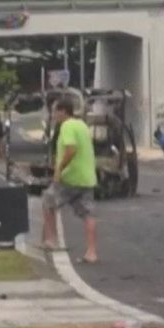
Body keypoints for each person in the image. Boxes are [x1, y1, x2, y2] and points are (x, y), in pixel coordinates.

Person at [40, 96, 99, 263]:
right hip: (87, 178)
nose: (53, 115)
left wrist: (59, 168)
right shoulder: (81, 125)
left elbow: (71, 149)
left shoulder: (66, 126)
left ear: (63, 111)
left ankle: (52, 240)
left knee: (47, 201)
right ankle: (92, 252)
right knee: (88, 214)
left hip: (69, 178)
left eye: (54, 111)